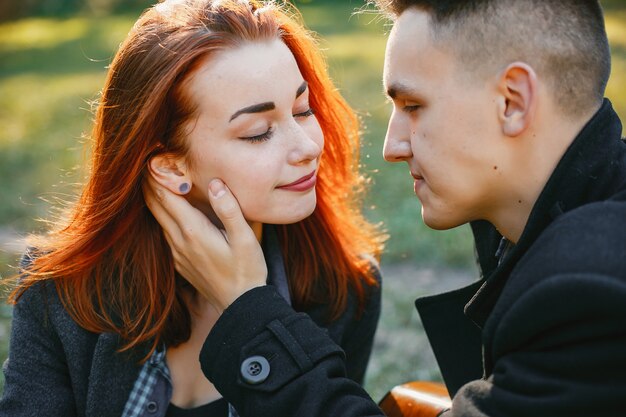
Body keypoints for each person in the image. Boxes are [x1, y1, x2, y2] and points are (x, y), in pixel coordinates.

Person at [140, 0, 626, 416]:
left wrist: (250, 313)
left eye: (413, 106)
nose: (392, 145)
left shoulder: (589, 290)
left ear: (513, 102)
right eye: (257, 131)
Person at [0, 1, 386, 416]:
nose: (309, 147)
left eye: (302, 109)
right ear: (170, 166)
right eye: (258, 132)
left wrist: (254, 309)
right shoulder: (61, 291)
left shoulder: (343, 287)